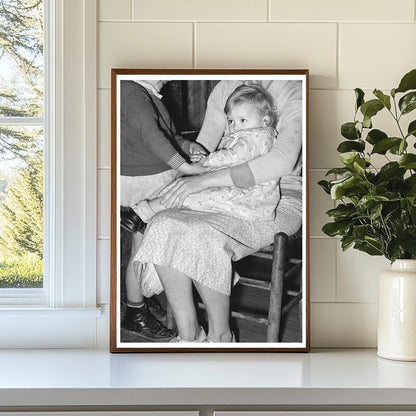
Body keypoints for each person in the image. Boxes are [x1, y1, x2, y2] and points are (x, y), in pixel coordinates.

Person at [134, 79, 303, 343]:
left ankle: (221, 336)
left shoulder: (294, 88)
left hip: (278, 196)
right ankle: (189, 334)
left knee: (203, 235)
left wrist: (202, 180)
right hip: (222, 191)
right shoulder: (227, 87)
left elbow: (281, 160)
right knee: (163, 223)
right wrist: (184, 176)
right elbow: (207, 146)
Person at [119, 79, 206, 341]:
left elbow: (165, 136)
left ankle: (139, 300)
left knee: (148, 245)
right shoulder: (130, 89)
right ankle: (135, 312)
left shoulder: (147, 93)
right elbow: (152, 135)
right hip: (144, 181)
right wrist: (188, 167)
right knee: (143, 248)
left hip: (154, 178)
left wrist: (187, 147)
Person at [127, 84, 281, 227]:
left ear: (265, 120)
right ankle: (144, 213)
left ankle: (142, 213)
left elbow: (236, 156)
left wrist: (209, 160)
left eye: (242, 120)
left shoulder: (257, 137)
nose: (235, 126)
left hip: (249, 194)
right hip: (237, 184)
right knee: (180, 189)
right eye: (231, 121)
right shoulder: (251, 133)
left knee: (188, 194)